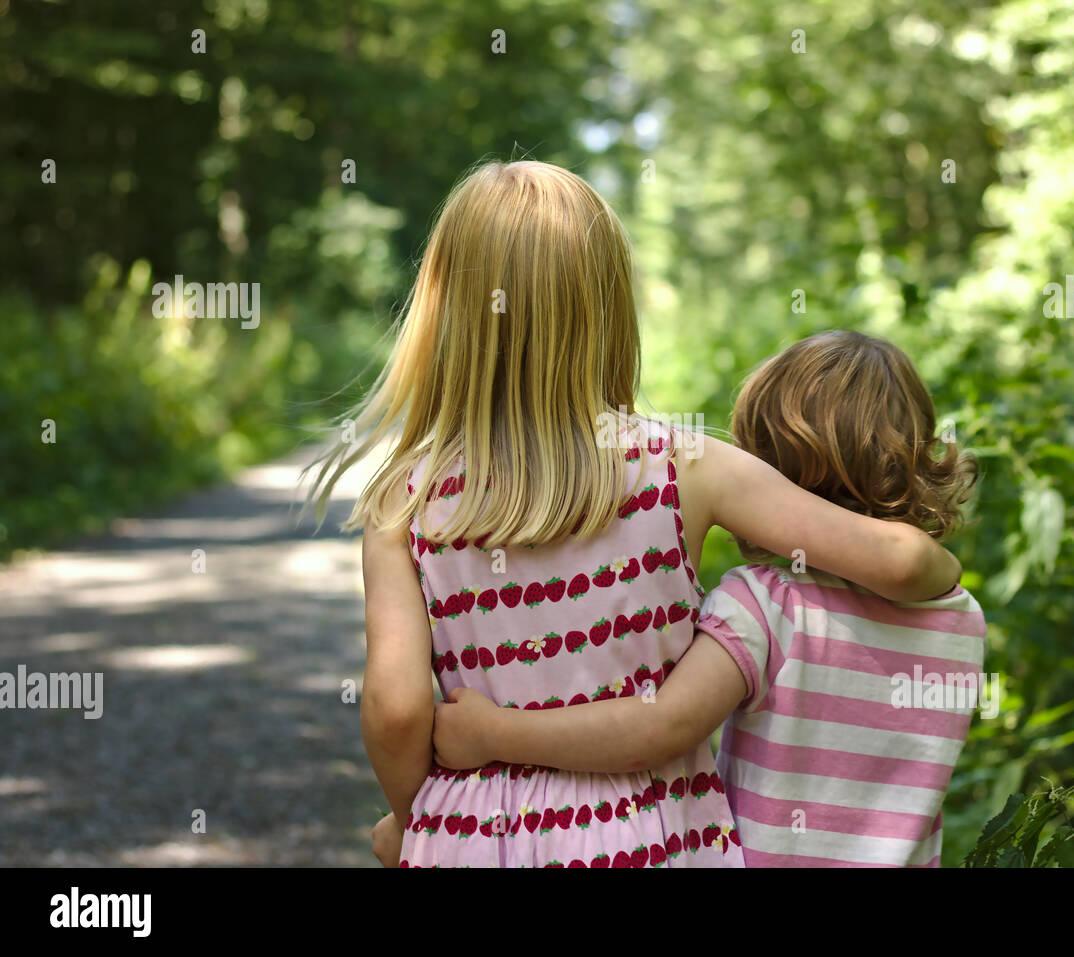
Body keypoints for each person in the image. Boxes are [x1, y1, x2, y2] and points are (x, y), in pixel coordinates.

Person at [303, 162, 962, 866]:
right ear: (608, 306)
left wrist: (424, 821)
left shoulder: (403, 501)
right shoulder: (685, 465)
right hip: (655, 836)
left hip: (475, 840)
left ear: (445, 310)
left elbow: (397, 710)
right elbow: (903, 562)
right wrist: (942, 566)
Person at [432, 330, 984, 866]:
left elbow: (661, 728)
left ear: (773, 471)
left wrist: (496, 734)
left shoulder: (766, 607)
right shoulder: (958, 617)